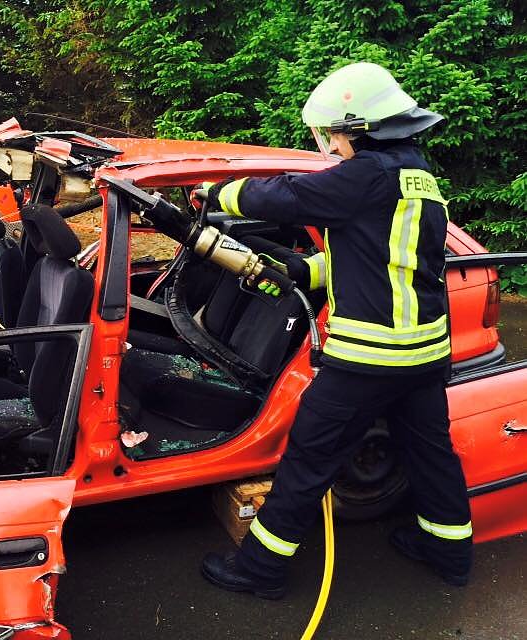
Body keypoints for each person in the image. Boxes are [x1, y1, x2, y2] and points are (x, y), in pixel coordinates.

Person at [196, 62, 472, 599]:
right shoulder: (417, 176)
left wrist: (217, 192)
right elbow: (384, 258)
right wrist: (307, 270)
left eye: (338, 135)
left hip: (370, 359)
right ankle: (450, 553)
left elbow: (288, 196)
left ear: (360, 127)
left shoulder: (365, 175)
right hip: (423, 357)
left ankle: (259, 569)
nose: (334, 146)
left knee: (309, 457)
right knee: (430, 455)